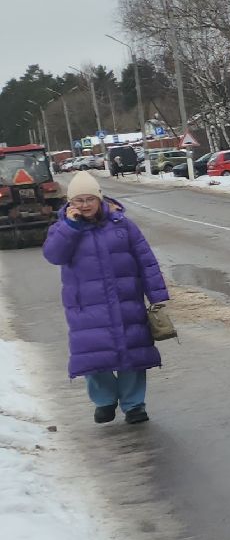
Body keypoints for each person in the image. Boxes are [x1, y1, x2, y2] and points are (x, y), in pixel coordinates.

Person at [42, 171, 170, 424]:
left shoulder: (122, 225)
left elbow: (146, 261)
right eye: (79, 200)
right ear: (70, 203)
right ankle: (105, 401)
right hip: (86, 306)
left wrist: (156, 294)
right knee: (93, 356)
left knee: (133, 355)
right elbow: (54, 255)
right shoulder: (62, 228)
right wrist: (71, 227)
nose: (85, 205)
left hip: (127, 301)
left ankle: (134, 405)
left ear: (100, 198)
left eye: (90, 199)